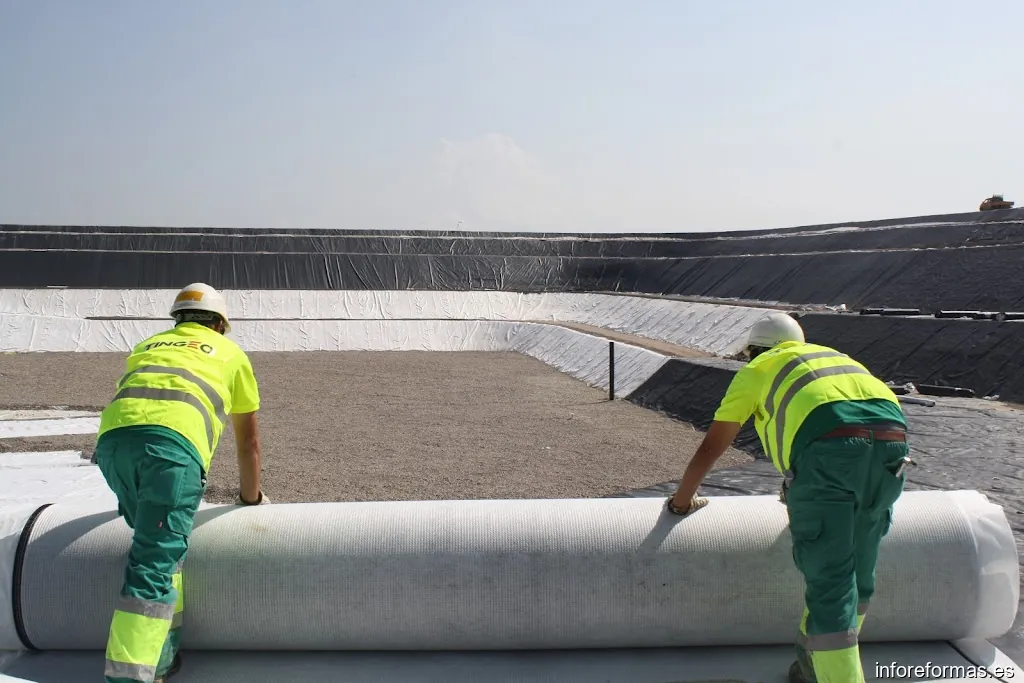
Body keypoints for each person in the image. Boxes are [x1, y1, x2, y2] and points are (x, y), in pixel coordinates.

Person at [666, 312, 912, 683]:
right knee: (859, 575)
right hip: (893, 450)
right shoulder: (833, 357)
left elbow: (712, 446)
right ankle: (813, 666)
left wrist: (682, 500)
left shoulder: (760, 368)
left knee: (831, 584)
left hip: (830, 455)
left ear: (754, 350)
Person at [93, 282, 270, 683]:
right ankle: (127, 677)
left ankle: (164, 657)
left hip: (113, 447)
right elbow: (249, 443)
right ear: (221, 325)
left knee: (161, 553)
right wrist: (250, 500)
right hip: (171, 454)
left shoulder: (150, 344)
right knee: (152, 565)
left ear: (178, 319)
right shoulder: (231, 354)